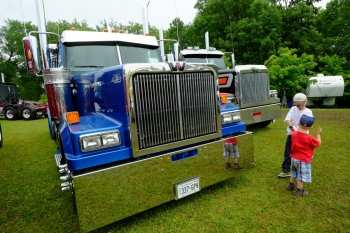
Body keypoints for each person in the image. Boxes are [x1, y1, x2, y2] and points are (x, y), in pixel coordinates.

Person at [278, 93, 313, 178]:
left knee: (300, 153)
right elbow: (288, 119)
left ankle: (300, 170)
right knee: (288, 152)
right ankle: (286, 170)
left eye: (301, 105)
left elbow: (310, 125)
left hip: (303, 137)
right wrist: (294, 130)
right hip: (292, 135)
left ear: (306, 102)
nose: (299, 107)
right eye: (297, 105)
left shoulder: (308, 112)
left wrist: (300, 132)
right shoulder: (293, 109)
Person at [286, 114, 322, 196]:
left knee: (294, 172)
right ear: (311, 127)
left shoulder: (294, 134)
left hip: (294, 158)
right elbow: (318, 143)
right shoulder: (309, 138)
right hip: (303, 160)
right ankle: (299, 191)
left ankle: (290, 185)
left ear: (298, 123)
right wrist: (318, 134)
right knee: (301, 176)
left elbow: (294, 135)